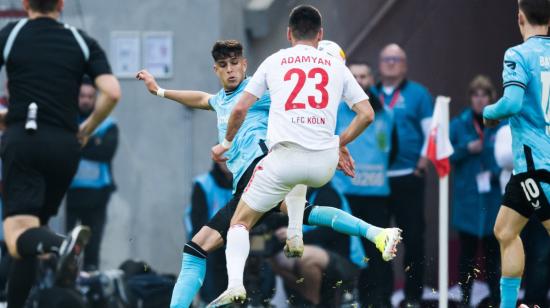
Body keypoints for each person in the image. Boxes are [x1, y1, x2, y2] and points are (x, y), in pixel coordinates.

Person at [137, 39, 399, 308]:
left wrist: (332, 135)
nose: (230, 70)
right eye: (224, 65)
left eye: (235, 64)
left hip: (263, 169)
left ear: (245, 64)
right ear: (215, 70)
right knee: (304, 212)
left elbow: (302, 101)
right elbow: (202, 99)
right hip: (254, 182)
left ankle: (233, 287)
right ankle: (375, 233)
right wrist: (159, 90)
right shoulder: (220, 100)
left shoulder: (259, 91)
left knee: (202, 246)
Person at [207, 5, 381, 306]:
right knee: (300, 182)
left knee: (240, 222)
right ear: (321, 34)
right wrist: (339, 142)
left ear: (288, 34)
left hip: (285, 157)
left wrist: (226, 142)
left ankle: (235, 284)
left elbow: (238, 108)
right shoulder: (335, 65)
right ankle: (298, 235)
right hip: (323, 161)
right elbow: (366, 114)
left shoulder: (275, 61)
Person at [0, 0, 120, 306]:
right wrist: (87, 129)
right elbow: (112, 91)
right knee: (31, 235)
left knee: (16, 234)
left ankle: (61, 244)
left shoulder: (12, 33)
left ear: (25, 3)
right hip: (66, 148)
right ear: (61, 5)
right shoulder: (81, 40)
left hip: (24, 141)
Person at [482, 0, 550, 307]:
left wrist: (489, 112)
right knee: (505, 231)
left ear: (519, 17)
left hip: (538, 163)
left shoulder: (518, 54)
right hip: (526, 171)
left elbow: (510, 104)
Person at [371, 43, 433, 306]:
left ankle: (412, 297)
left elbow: (432, 132)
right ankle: (381, 297)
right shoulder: (369, 93)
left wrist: (422, 161)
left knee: (413, 239)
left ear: (405, 64)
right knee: (378, 241)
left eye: (397, 59)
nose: (391, 63)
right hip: (376, 180)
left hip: (408, 176)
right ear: (380, 63)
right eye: (387, 58)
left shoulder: (419, 94)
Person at [332, 61, 398, 308]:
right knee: (348, 252)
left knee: (380, 252)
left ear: (372, 80)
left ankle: (380, 302)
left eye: (365, 75)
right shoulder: (337, 111)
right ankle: (348, 300)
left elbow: (393, 151)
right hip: (344, 195)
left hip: (376, 196)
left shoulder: (386, 114)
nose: (359, 80)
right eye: (355, 76)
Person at [449, 75, 501, 306]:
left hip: (493, 199)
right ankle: (465, 298)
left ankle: (496, 299)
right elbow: (445, 156)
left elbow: (514, 155)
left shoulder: (503, 124)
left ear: (492, 98)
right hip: (468, 199)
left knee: (493, 255)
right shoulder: (458, 124)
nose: (480, 100)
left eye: (484, 95)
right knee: (467, 255)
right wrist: (466, 148)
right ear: (470, 98)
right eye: (475, 95)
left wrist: (496, 171)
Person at [65, 79, 119, 272]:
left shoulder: (108, 124)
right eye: (82, 96)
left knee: (92, 248)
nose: (86, 100)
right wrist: (92, 142)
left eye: (90, 96)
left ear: (96, 99)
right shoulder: (67, 122)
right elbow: (64, 149)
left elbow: (106, 152)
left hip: (97, 195)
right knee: (67, 248)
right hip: (70, 194)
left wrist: (78, 144)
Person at [186, 161, 233, 304]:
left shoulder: (246, 182)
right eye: (223, 156)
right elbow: (198, 223)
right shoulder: (203, 184)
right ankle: (209, 302)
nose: (227, 160)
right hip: (211, 239)